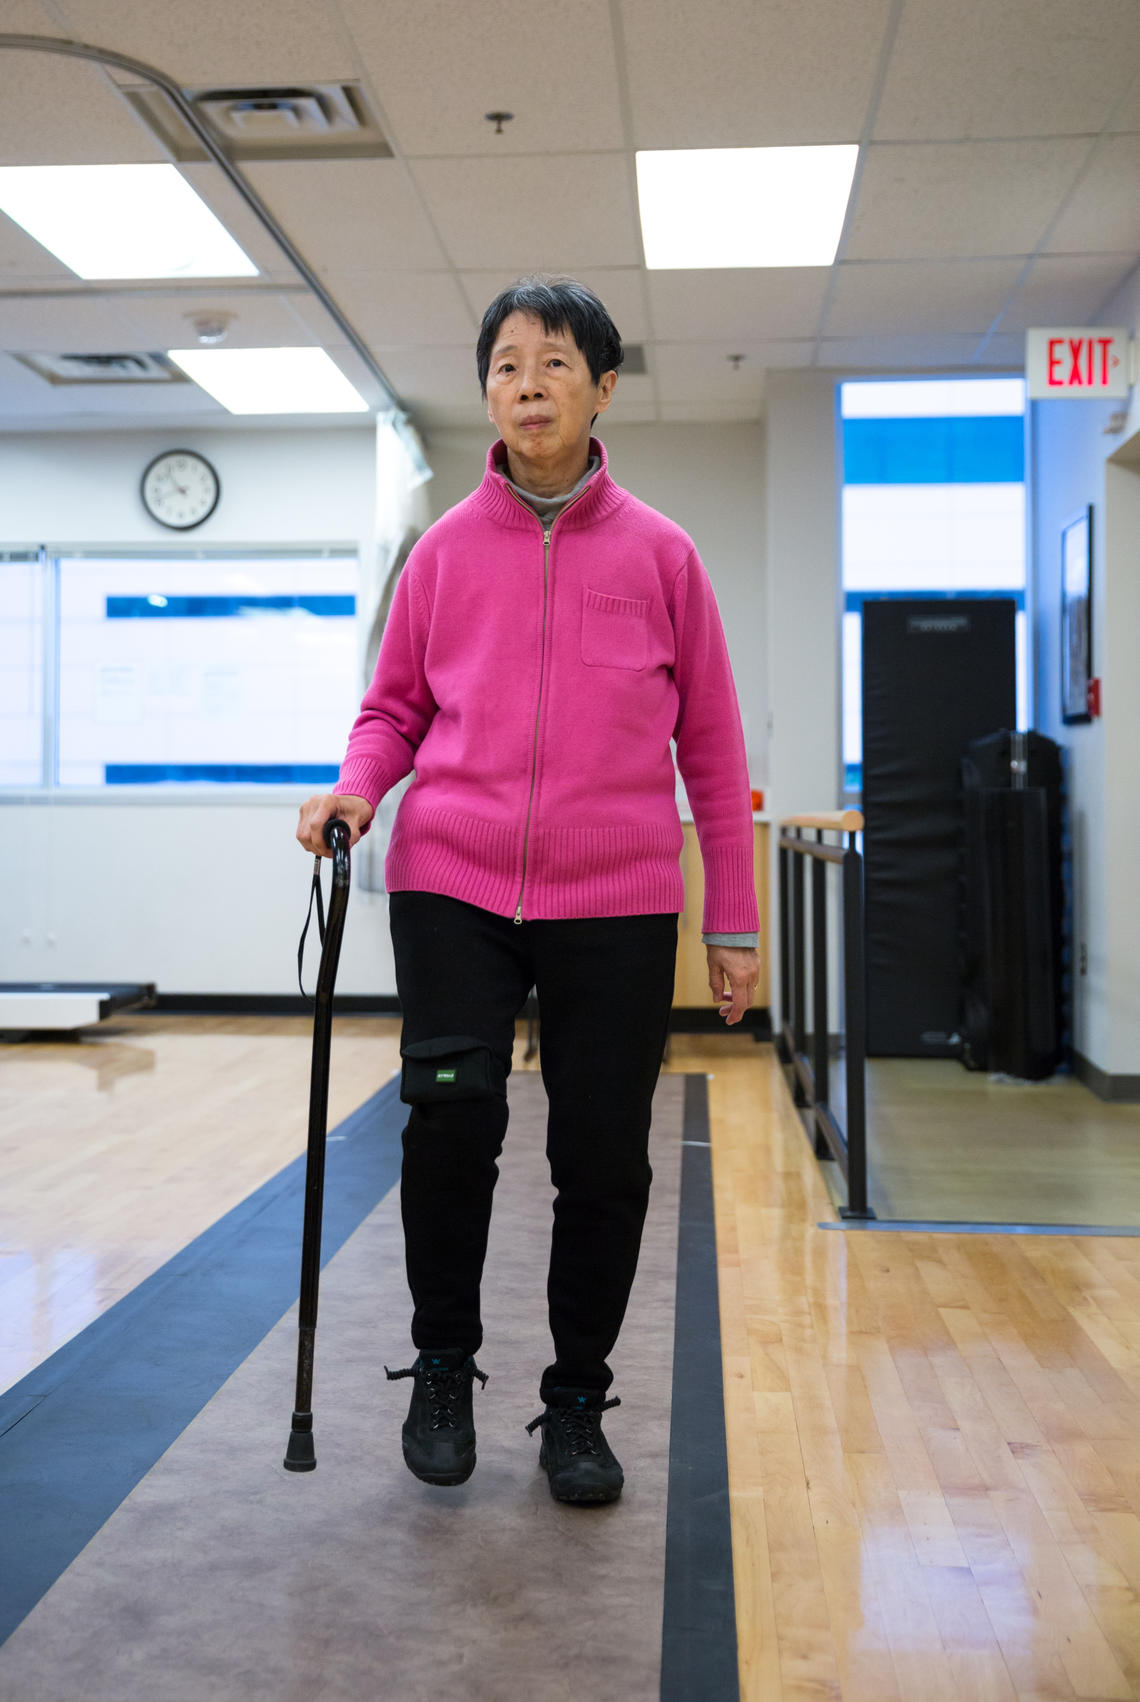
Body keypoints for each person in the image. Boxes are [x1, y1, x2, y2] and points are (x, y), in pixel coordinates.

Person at [297, 275, 760, 1505]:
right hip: (450, 880)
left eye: (555, 362)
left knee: (602, 1157)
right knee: (452, 1127)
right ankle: (444, 1363)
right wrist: (356, 787)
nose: (528, 383)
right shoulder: (441, 553)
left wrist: (734, 924)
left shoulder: (664, 555)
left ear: (605, 387)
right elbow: (392, 708)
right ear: (488, 392)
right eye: (506, 364)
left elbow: (712, 751)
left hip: (615, 899)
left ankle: (575, 1401)